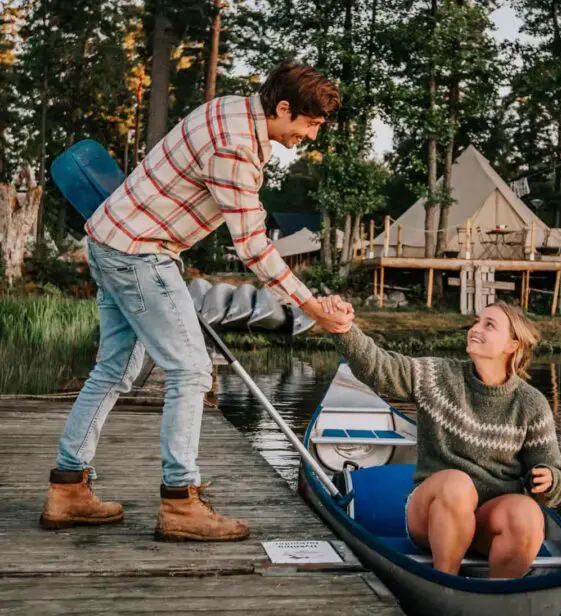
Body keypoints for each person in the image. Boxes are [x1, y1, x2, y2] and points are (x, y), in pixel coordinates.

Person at [40, 61, 354, 542]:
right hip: (140, 253)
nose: (311, 135)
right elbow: (252, 246)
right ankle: (180, 503)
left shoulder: (230, 108)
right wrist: (310, 307)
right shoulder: (237, 145)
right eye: (309, 124)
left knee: (114, 370)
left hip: (110, 240)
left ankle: (68, 488)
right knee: (191, 370)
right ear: (284, 108)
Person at [327, 300, 561, 578]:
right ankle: (446, 582)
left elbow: (555, 475)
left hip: (489, 523)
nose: (475, 329)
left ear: (512, 345)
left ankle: (498, 595)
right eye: (476, 321)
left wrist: (548, 479)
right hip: (432, 515)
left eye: (489, 325)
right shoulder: (439, 377)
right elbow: (380, 367)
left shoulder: (531, 403)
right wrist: (345, 329)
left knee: (528, 512)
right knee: (457, 484)